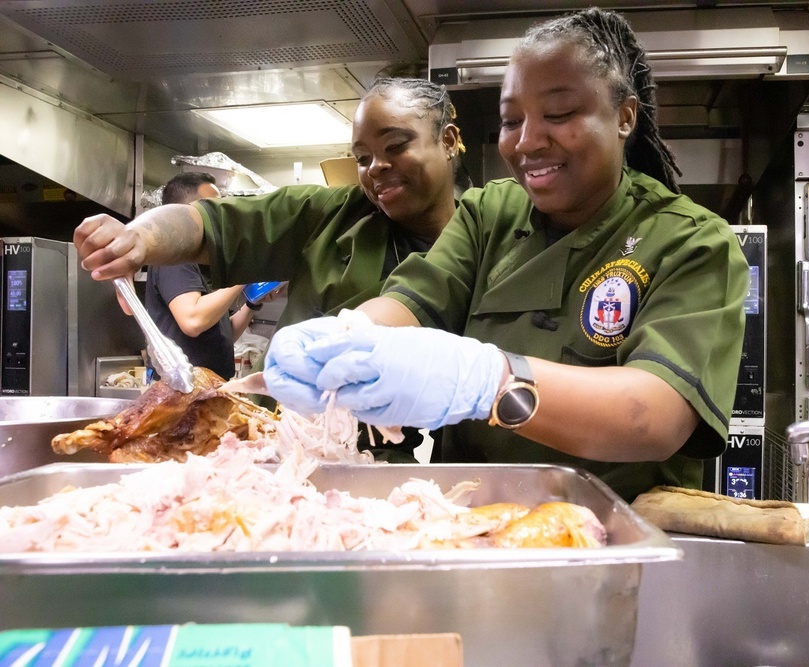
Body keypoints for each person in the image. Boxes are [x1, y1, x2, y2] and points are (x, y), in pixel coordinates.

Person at [260, 8, 751, 502]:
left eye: (558, 115)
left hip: (609, 534)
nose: (527, 141)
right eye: (511, 120)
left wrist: (488, 381)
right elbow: (413, 302)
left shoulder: (691, 241)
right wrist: (348, 339)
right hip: (472, 522)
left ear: (624, 117)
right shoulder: (487, 213)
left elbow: (656, 416)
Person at [72, 78, 467, 462]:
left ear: (447, 141)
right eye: (363, 158)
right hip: (266, 439)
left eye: (395, 146)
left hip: (375, 456)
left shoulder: (485, 232)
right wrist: (138, 238)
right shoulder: (330, 215)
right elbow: (208, 225)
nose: (376, 167)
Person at [142, 171, 254, 381]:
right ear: (183, 213)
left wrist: (252, 304)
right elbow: (192, 321)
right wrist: (245, 273)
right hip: (182, 391)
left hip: (209, 387)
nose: (219, 217)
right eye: (211, 208)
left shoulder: (201, 260)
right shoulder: (174, 258)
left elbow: (222, 334)